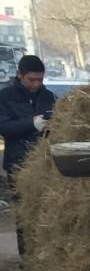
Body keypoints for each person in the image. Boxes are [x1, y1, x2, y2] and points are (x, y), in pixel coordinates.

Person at [0, 54, 56, 186]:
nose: (36, 84)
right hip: (18, 163)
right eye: (31, 80)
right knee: (20, 202)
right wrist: (32, 124)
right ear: (19, 74)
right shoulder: (5, 96)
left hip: (45, 161)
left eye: (40, 79)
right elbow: (3, 127)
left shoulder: (49, 97)